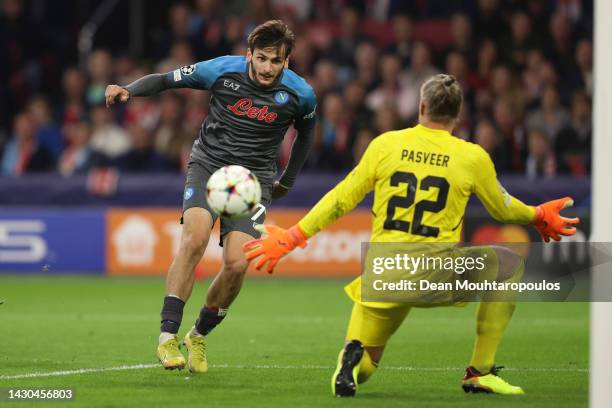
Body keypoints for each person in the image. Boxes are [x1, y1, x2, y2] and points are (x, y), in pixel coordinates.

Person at [243, 74, 578, 397]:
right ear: (457, 116)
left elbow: (341, 198)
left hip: (384, 274)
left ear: (421, 108)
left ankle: (352, 363)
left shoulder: (386, 144)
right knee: (508, 264)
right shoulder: (472, 156)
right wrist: (538, 215)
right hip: (436, 273)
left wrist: (292, 237)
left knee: (368, 362)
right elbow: (504, 210)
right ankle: (480, 373)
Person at [105, 20, 316, 373]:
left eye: (275, 61)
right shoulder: (221, 70)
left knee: (236, 264)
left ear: (287, 62)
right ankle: (167, 338)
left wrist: (288, 180)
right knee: (195, 239)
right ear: (249, 54)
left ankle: (198, 335)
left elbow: (306, 136)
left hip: (254, 180)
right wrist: (129, 89)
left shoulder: (301, 94)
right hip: (210, 166)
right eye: (261, 58)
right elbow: (168, 79)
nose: (266, 68)